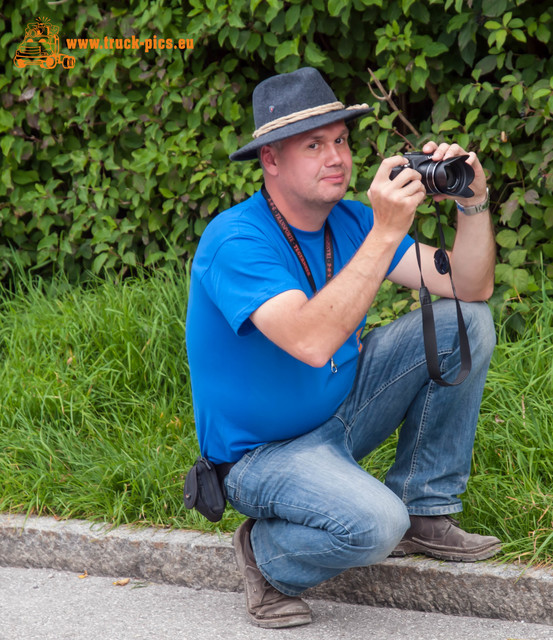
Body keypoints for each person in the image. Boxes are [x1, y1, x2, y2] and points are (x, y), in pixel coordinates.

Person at [185, 67, 500, 629]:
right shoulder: (235, 239)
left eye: (341, 140)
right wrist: (385, 233)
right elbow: (310, 340)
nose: (337, 157)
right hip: (262, 455)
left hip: (341, 412)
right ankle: (264, 554)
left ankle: (427, 510)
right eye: (314, 145)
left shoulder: (350, 220)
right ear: (271, 161)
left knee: (466, 322)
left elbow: (470, 287)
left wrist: (471, 203)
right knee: (378, 524)